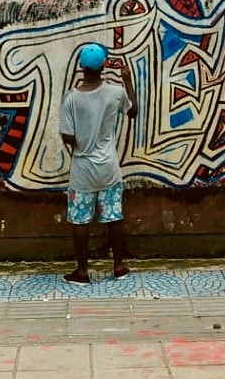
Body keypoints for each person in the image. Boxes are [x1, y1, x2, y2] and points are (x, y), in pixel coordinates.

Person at [59, 43, 138, 285]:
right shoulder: (115, 93)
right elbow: (133, 111)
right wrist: (127, 81)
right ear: (104, 66)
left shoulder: (71, 99)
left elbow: (67, 137)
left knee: (80, 221)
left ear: (82, 67)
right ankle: (119, 266)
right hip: (109, 168)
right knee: (114, 218)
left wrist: (81, 142)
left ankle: (82, 271)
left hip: (82, 170)